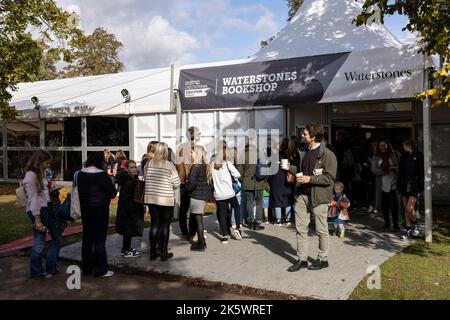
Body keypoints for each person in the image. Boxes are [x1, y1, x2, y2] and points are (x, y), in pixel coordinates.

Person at [287, 123, 337, 272]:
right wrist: (289, 167)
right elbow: (302, 171)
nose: (302, 135)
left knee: (321, 230)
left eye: (305, 134)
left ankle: (323, 259)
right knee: (300, 229)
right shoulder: (303, 150)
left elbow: (329, 178)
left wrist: (310, 179)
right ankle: (302, 259)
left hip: (319, 197)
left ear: (314, 137)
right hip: (302, 195)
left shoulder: (328, 154)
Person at [23, 150, 63, 279]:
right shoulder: (31, 176)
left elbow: (40, 192)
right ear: (39, 162)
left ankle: (50, 268)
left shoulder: (38, 173)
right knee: (40, 240)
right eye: (46, 163)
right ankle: (37, 271)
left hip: (45, 208)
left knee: (55, 237)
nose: (48, 165)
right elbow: (32, 199)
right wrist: (38, 219)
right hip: (38, 211)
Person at [77, 152, 117, 277]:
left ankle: (87, 268)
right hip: (100, 209)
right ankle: (100, 269)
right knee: (100, 239)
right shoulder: (102, 175)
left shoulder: (80, 174)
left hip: (85, 209)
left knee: (87, 238)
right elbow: (112, 193)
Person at [145, 142, 180, 261]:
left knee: (154, 225)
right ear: (165, 152)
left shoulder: (149, 163)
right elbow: (176, 182)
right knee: (165, 225)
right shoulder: (169, 165)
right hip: (165, 199)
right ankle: (164, 253)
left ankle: (153, 253)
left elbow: (145, 178)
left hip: (152, 198)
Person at [211, 144, 243, 243]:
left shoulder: (212, 164)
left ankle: (224, 236)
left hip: (219, 194)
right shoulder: (227, 163)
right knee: (236, 207)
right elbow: (238, 174)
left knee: (222, 214)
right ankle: (237, 228)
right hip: (229, 192)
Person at [186, 145, 213, 250]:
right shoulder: (206, 165)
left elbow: (192, 183)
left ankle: (201, 243)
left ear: (196, 153)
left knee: (198, 220)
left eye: (192, 152)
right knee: (198, 219)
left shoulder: (196, 166)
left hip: (196, 196)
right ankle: (202, 242)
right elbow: (210, 183)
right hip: (203, 196)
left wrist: (186, 189)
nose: (190, 154)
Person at [115, 160, 145, 257]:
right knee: (127, 230)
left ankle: (127, 248)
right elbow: (126, 198)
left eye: (135, 167)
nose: (134, 169)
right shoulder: (128, 181)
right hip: (127, 210)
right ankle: (125, 250)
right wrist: (131, 211)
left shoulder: (132, 178)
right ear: (127, 169)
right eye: (131, 167)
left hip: (128, 209)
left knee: (128, 231)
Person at [176, 127, 201, 240]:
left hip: (184, 182)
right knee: (193, 208)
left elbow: (178, 165)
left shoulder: (180, 147)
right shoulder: (197, 149)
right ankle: (192, 233)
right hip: (192, 182)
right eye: (198, 133)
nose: (200, 135)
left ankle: (185, 233)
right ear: (193, 135)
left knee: (184, 208)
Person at [236, 138, 266, 231]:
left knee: (249, 202)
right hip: (259, 182)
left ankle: (251, 222)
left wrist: (243, 181)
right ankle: (257, 222)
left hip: (247, 182)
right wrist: (264, 180)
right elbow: (266, 169)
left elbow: (239, 172)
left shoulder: (243, 155)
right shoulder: (260, 154)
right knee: (259, 202)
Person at [371, 140, 401, 231]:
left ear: (388, 145)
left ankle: (396, 224)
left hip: (393, 183)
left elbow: (401, 166)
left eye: (385, 145)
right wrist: (383, 171)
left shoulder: (394, 154)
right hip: (382, 185)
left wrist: (393, 168)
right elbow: (373, 170)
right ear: (378, 147)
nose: (384, 147)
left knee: (394, 205)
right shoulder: (376, 157)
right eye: (381, 146)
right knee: (384, 206)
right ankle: (387, 224)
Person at [398, 137, 424, 239]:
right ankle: (408, 229)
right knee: (405, 208)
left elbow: (421, 173)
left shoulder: (419, 155)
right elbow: (400, 172)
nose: (403, 147)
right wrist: (399, 184)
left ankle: (415, 224)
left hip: (414, 185)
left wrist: (420, 187)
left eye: (404, 145)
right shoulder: (403, 156)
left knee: (410, 208)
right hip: (404, 184)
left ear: (408, 145)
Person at [270, 138, 294, 227]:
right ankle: (287, 219)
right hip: (287, 179)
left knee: (277, 200)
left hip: (276, 180)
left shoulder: (274, 156)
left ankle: (278, 220)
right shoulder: (289, 156)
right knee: (287, 200)